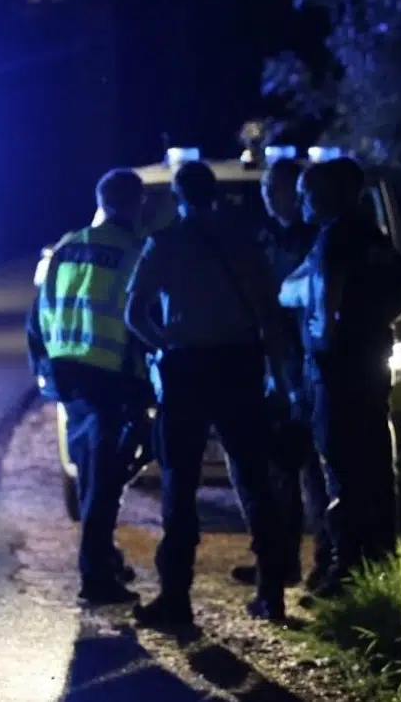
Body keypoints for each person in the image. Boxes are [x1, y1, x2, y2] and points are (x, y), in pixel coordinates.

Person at [125, 160, 296, 625]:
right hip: (239, 365)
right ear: (214, 194)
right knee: (254, 479)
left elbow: (134, 312)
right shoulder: (244, 244)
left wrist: (163, 345)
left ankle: (176, 596)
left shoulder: (164, 244)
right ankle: (272, 592)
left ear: (179, 196)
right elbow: (268, 313)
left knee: (180, 483)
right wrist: (278, 379)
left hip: (186, 368)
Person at [283, 158, 401, 598]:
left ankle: (346, 568)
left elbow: (326, 294)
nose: (301, 201)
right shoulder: (370, 234)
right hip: (369, 361)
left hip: (336, 370)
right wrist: (381, 322)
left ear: (326, 194)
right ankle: (379, 560)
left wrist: (329, 335)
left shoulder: (335, 237)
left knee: (340, 465)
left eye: (306, 193)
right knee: (375, 462)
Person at [27, 169, 151, 605]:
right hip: (110, 379)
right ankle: (95, 578)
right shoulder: (135, 252)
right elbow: (141, 322)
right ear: (134, 205)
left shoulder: (65, 246)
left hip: (68, 378)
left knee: (91, 481)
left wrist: (44, 372)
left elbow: (36, 318)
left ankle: (104, 558)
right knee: (102, 482)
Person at [230, 159, 333, 592]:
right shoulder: (259, 237)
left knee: (316, 471)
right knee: (277, 472)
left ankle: (327, 563)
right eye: (267, 188)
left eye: (280, 188)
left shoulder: (320, 236)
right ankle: (280, 561)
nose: (271, 196)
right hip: (273, 365)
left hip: (314, 363)